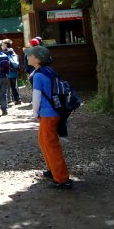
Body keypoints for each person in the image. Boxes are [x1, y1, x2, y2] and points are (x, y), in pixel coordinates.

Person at [26, 45, 73, 190]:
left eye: (30, 55)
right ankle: (52, 169)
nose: (28, 57)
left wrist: (34, 113)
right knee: (43, 141)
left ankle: (62, 179)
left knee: (51, 145)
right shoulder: (49, 71)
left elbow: (36, 97)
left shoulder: (38, 75)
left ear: (37, 59)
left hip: (48, 114)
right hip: (54, 112)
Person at [3, 39, 21, 104]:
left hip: (8, 71)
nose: (2, 46)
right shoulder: (13, 52)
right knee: (14, 86)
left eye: (2, 44)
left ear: (5, 45)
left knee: (7, 87)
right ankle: (17, 99)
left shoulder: (5, 52)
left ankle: (9, 99)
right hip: (14, 71)